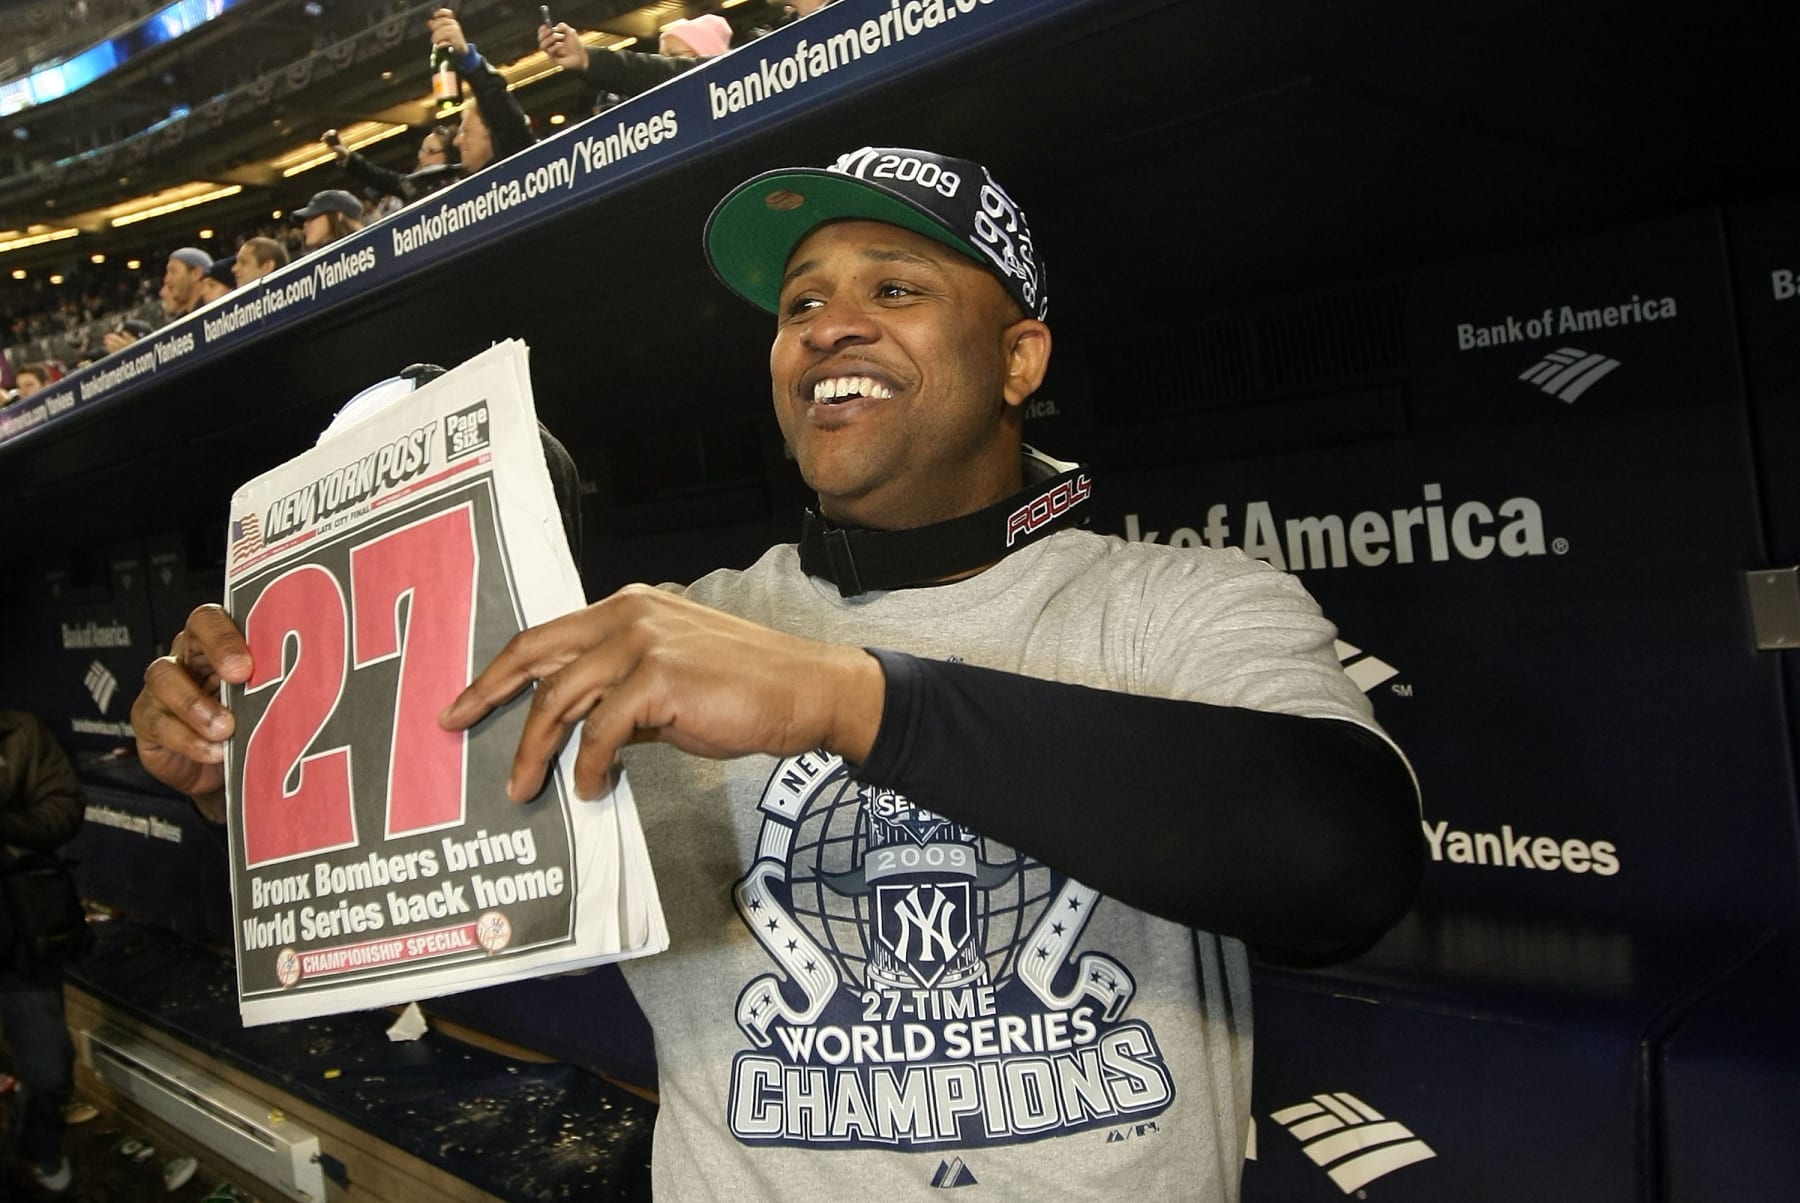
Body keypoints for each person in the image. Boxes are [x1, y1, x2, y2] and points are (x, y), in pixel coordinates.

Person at [130, 147, 1421, 1200]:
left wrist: (843, 696)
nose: (827, 326)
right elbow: (416, 841)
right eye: (800, 302)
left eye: (896, 288)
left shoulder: (1180, 606)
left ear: (1022, 357)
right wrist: (241, 763)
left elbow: (1342, 864)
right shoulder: (666, 637)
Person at [0, 710, 85, 1196]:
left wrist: (7, 823)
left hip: (18, 935)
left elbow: (66, 807)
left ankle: (39, 1149)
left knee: (49, 1070)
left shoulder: (19, 732)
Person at [538, 12, 732, 111]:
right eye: (661, 58)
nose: (664, 63)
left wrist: (587, 58)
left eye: (673, 57)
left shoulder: (731, 79)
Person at [429, 8, 532, 170]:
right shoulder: (461, 187)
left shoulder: (523, 168)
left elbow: (503, 112)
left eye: (466, 131)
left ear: (493, 135)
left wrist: (468, 58)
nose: (456, 141)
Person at [322, 123, 461, 205]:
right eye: (422, 151)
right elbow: (379, 177)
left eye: (431, 151)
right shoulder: (413, 186)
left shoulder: (464, 180)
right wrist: (347, 155)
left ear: (449, 155)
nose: (423, 157)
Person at [292, 190, 365, 250]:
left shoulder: (368, 250)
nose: (305, 224)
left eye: (313, 216)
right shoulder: (313, 264)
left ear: (339, 216)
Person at [158, 247, 210, 322]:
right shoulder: (181, 322)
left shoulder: (213, 315)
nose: (167, 280)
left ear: (196, 273)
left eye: (173, 271)